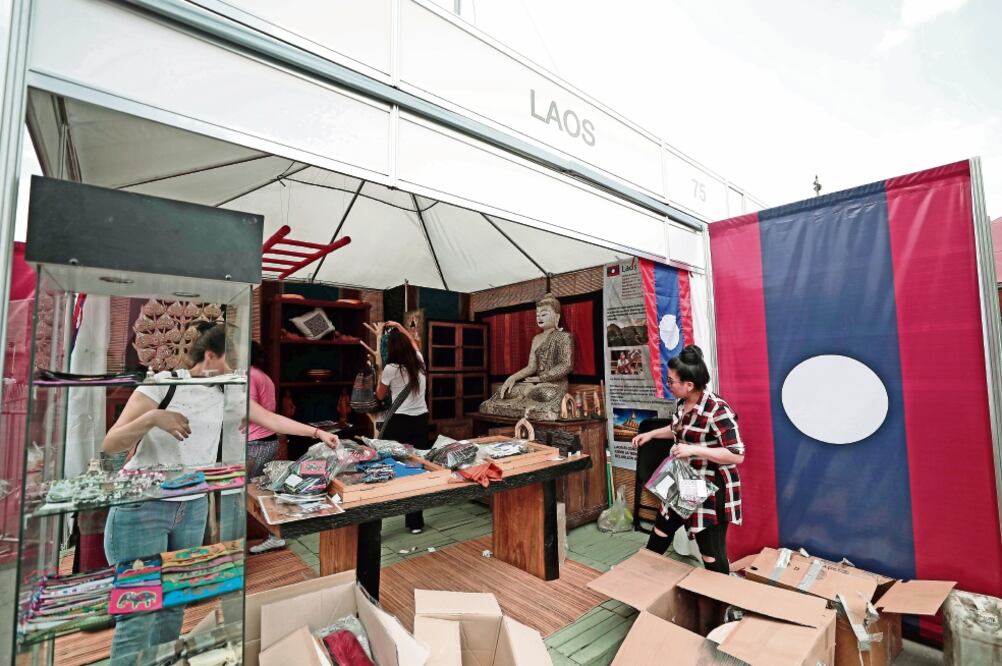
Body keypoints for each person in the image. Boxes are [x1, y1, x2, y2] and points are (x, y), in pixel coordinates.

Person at [101, 324, 337, 664]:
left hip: (192, 506)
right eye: (232, 362)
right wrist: (153, 418)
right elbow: (111, 443)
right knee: (138, 613)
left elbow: (269, 419)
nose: (238, 372)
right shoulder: (163, 384)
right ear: (210, 356)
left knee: (174, 604)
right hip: (143, 507)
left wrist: (317, 433)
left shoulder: (227, 391)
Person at [631, 345, 744, 575]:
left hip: (711, 487)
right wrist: (651, 434)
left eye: (671, 381)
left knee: (711, 553)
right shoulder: (683, 403)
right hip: (683, 479)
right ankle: (641, 579)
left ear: (689, 384)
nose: (668, 385)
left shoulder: (717, 410)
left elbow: (737, 453)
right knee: (661, 530)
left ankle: (722, 594)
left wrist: (693, 450)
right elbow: (677, 429)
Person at [376, 321, 429, 534]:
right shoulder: (419, 362)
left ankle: (376, 522)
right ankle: (415, 523)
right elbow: (415, 344)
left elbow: (380, 395)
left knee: (383, 466)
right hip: (420, 421)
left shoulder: (390, 369)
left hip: (398, 422)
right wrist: (400, 326)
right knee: (416, 469)